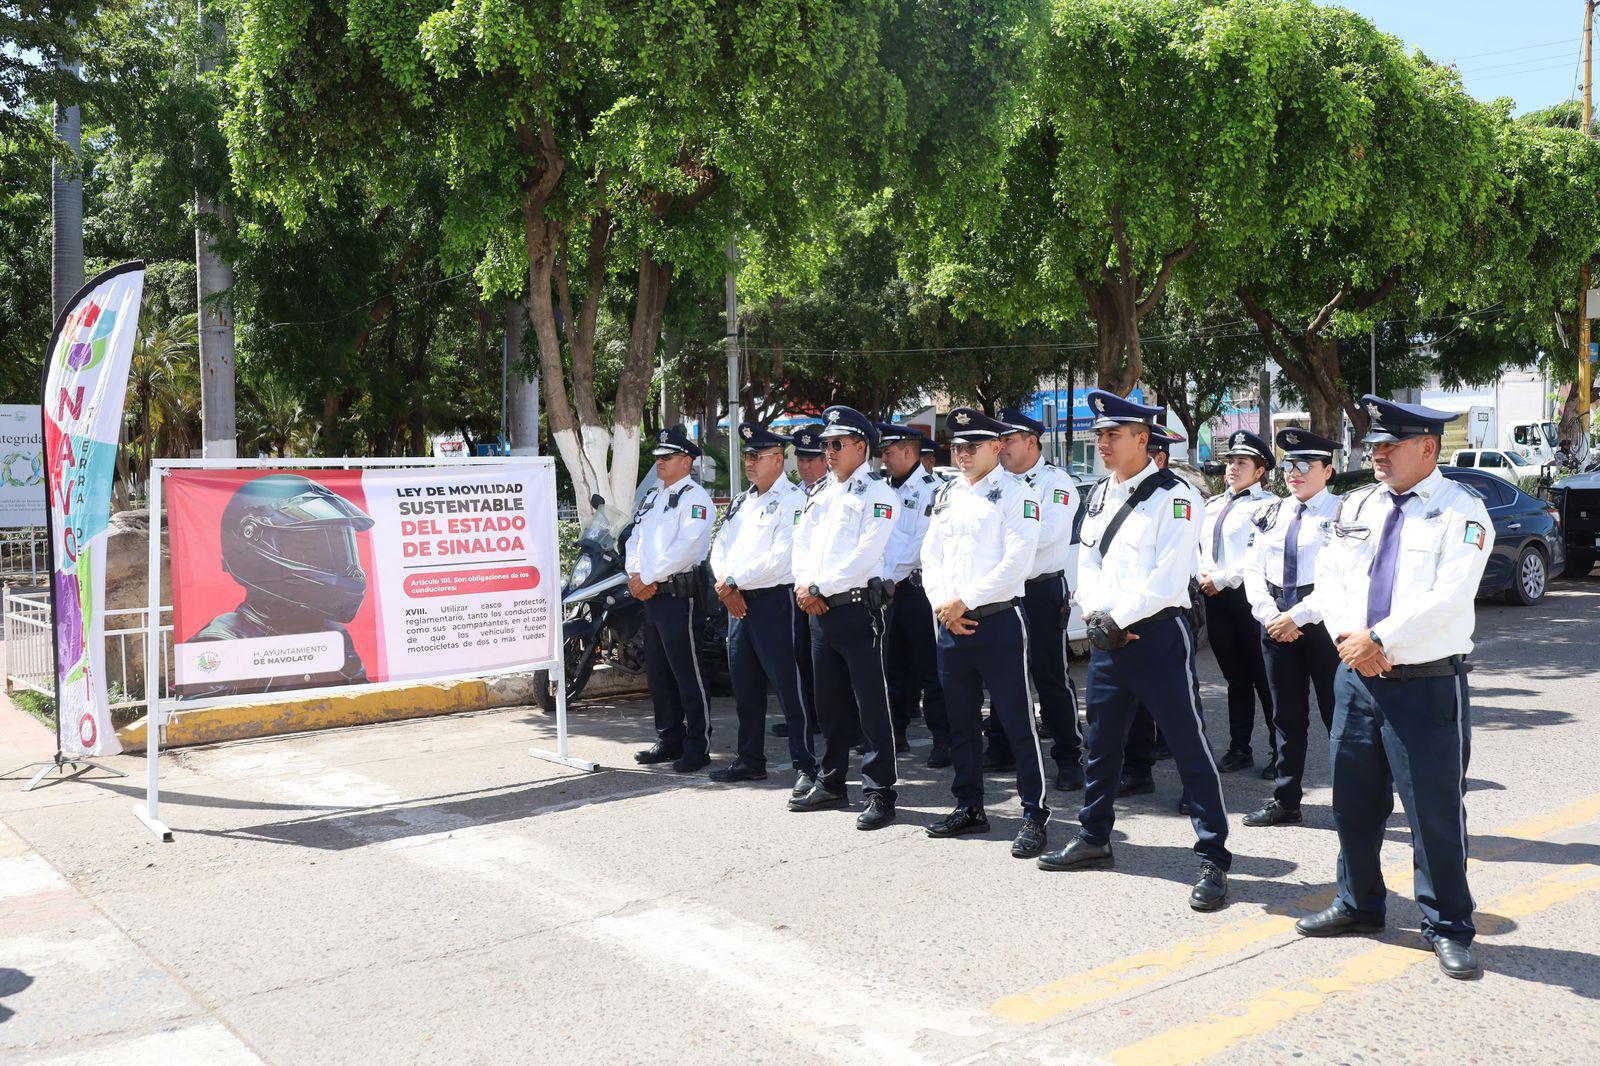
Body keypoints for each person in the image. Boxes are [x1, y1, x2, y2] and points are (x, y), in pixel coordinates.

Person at [1294, 396, 1493, 980]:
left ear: (1428, 448)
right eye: (1374, 444)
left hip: (1425, 684)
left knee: (1433, 811)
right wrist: (1351, 641)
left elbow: (1450, 595)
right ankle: (1360, 903)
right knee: (1353, 804)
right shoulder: (1358, 504)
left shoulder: (1463, 511)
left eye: (1390, 444)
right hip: (1356, 676)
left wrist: (1379, 636)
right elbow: (1329, 580)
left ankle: (1449, 924)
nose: (1376, 453)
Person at [1037, 390, 1231, 914]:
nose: (1101, 443)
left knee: (1188, 745)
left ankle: (1213, 857)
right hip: (1108, 640)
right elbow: (1089, 562)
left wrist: (1118, 619)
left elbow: (1168, 573)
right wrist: (1099, 617)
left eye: (1112, 435)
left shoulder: (1176, 495)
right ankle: (1095, 834)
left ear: (1142, 440)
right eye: (1099, 435)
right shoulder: (1099, 494)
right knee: (1100, 743)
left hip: (1156, 637)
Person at [922, 407, 1050, 857]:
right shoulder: (947, 495)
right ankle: (969, 805)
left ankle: (1035, 813)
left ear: (996, 447)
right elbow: (930, 556)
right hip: (950, 625)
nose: (961, 454)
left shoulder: (1017, 495)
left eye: (971, 446)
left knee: (1017, 722)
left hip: (997, 621)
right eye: (956, 446)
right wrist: (943, 605)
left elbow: (1017, 561)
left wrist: (964, 601)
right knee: (960, 722)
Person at [789, 405, 900, 830]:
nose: (828, 451)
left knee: (872, 705)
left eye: (837, 444)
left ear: (860, 446)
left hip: (855, 608)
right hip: (818, 611)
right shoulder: (819, 493)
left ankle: (880, 791)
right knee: (830, 703)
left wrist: (819, 587)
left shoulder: (878, 494)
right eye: (825, 444)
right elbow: (802, 546)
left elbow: (866, 554)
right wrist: (805, 586)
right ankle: (832, 780)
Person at [184, 474, 374, 699]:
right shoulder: (219, 643)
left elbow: (361, 703)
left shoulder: (330, 633)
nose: (344, 568)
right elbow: (207, 723)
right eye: (312, 549)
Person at [1239, 428, 1343, 827]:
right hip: (1276, 624)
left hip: (1323, 625)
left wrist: (1296, 617)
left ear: (1327, 470)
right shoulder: (1271, 512)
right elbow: (1254, 569)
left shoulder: (1340, 513)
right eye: (1288, 465)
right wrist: (1269, 615)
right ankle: (1286, 799)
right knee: (1286, 716)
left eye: (1304, 465)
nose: (1294, 473)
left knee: (1340, 717)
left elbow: (1342, 579)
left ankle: (1353, 800)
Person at [708, 423, 819, 795]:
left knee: (790, 686)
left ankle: (806, 764)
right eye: (747, 455)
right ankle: (750, 759)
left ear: (777, 458)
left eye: (756, 456)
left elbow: (780, 556)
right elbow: (719, 546)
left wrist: (733, 581)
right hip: (736, 603)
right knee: (745, 685)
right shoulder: (742, 501)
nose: (749, 462)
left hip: (774, 601)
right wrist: (726, 586)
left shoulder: (794, 501)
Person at [997, 407, 1084, 792]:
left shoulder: (1056, 483)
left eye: (1009, 440)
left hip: (1040, 589)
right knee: (1002, 672)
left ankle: (1069, 757)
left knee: (1049, 674)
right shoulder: (996, 484)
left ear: (1032, 442)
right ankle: (1002, 747)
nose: (1001, 448)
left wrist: (1000, 544)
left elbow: (1045, 534)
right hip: (1001, 589)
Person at [627, 427, 716, 772]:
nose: (659, 463)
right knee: (659, 673)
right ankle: (669, 738)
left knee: (687, 673)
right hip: (651, 596)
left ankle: (698, 744)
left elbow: (687, 548)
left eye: (666, 458)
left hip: (679, 596)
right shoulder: (654, 497)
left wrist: (646, 578)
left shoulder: (696, 499)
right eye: (658, 458)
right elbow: (635, 537)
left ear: (686, 461)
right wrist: (636, 575)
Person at [1199, 429, 1278, 777]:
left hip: (1248, 599)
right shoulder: (1213, 505)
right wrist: (1203, 575)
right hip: (1215, 600)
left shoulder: (1268, 506)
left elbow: (1255, 557)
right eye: (1231, 461)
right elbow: (1198, 549)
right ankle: (1239, 747)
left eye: (1242, 462)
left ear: (1260, 471)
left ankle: (1281, 752)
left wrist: (1219, 578)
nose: (1232, 467)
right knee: (1235, 679)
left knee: (1265, 680)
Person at [876, 422, 953, 768]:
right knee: (893, 667)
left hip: (918, 590)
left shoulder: (931, 490)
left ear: (909, 452)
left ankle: (943, 739)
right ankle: (896, 734)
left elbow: (917, 545)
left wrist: (888, 576)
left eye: (889, 452)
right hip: (889, 591)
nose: (884, 459)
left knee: (930, 668)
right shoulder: (882, 489)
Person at [1119, 424, 1185, 795]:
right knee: (1136, 707)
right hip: (1126, 615)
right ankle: (1137, 770)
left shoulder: (1177, 496)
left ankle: (1194, 789)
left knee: (1179, 708)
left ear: (1158, 457)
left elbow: (1172, 567)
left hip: (1164, 611)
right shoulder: (1121, 494)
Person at [773, 424, 829, 742]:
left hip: (823, 592)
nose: (806, 466)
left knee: (827, 662)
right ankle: (807, 715)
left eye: (813, 459)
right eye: (802, 460)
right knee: (799, 657)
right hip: (795, 590)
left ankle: (836, 719)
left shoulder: (833, 494)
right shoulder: (796, 496)